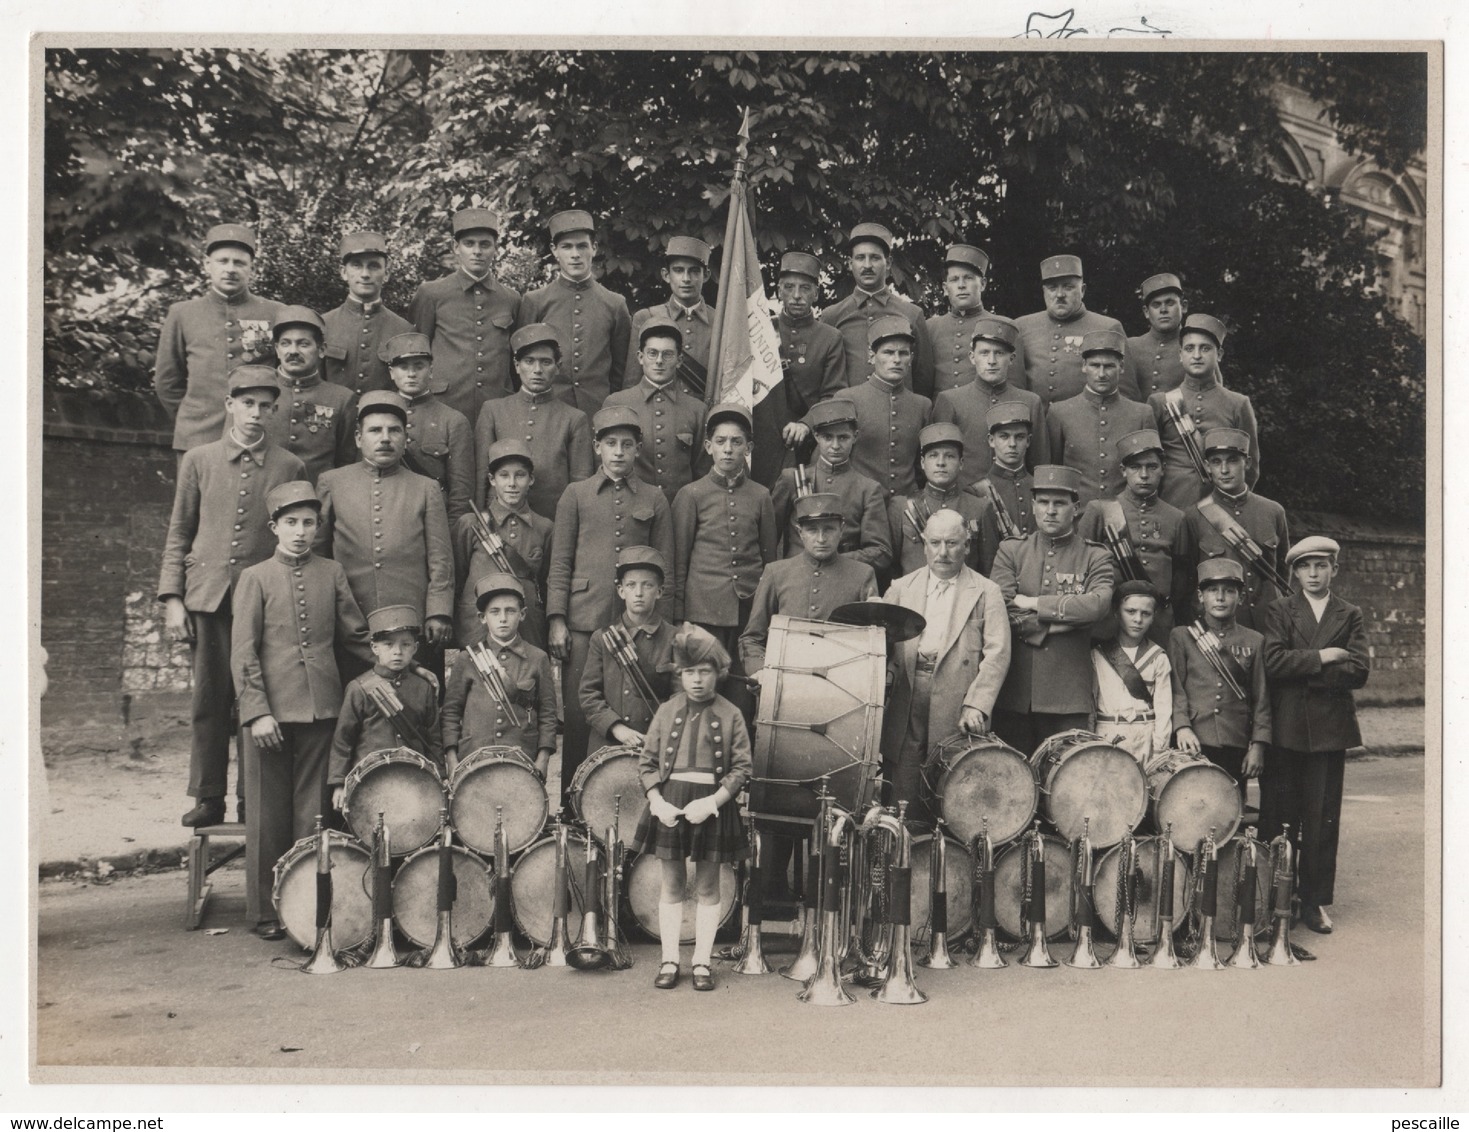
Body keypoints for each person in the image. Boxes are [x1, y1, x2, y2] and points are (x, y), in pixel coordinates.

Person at [158, 366, 307, 827]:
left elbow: (295, 535)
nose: (256, 413)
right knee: (210, 699)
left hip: (265, 603)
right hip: (208, 598)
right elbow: (180, 531)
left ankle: (251, 797)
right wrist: (172, 598)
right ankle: (207, 796)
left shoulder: (289, 466)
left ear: (274, 411)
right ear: (229, 405)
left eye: (265, 406)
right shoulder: (199, 460)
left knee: (258, 701)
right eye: (247, 403)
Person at [230, 480, 372, 940]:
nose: (300, 531)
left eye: (308, 522)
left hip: (322, 708)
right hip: (269, 715)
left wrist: (396, 665)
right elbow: (243, 653)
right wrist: (256, 712)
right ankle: (267, 912)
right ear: (274, 527)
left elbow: (355, 635)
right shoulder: (255, 578)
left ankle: (308, 906)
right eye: (291, 522)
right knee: (268, 815)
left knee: (313, 814)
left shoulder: (331, 572)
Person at [546, 405, 676, 800]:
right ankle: (572, 805)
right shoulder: (576, 494)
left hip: (640, 624)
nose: (618, 452)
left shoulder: (654, 498)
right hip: (586, 620)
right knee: (582, 716)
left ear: (638, 449)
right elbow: (561, 561)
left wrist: (664, 628)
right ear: (597, 448)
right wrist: (557, 618)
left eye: (627, 445)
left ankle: (634, 803)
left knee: (639, 713)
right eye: (610, 444)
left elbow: (666, 567)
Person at [1260, 536, 1371, 935]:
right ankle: (1274, 897)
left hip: (1330, 730)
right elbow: (1272, 662)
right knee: (1280, 815)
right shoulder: (1280, 610)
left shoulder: (1349, 613)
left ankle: (1314, 901)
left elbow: (1358, 670)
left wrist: (1301, 670)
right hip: (1286, 727)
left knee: (1322, 819)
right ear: (1294, 572)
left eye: (1321, 565)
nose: (1312, 573)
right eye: (1305, 566)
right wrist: (1324, 657)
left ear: (1334, 570)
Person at [634, 625, 752, 993]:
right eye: (689, 672)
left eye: (704, 671)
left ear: (718, 672)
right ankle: (670, 959)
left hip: (711, 806)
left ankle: (702, 960)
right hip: (671, 802)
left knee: (707, 884)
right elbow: (647, 762)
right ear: (679, 674)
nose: (697, 680)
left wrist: (714, 802)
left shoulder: (731, 713)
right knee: (671, 883)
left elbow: (742, 767)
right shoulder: (667, 711)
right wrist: (657, 801)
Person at [879, 509, 1011, 814]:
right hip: (908, 694)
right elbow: (882, 645)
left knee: (951, 789)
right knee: (904, 786)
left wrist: (978, 703)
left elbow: (998, 653)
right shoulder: (900, 588)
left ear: (966, 546)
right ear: (924, 545)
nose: (943, 552)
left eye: (952, 543)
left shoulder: (986, 592)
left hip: (958, 699)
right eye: (935, 543)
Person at [314, 391, 455, 666]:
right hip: (351, 617)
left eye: (394, 431)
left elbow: (441, 558)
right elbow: (318, 554)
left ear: (405, 438)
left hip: (411, 620)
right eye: (375, 430)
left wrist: (438, 612)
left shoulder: (425, 488)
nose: (385, 438)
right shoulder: (332, 482)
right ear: (358, 438)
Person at [988, 465, 1115, 753]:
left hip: (1067, 695)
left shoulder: (1095, 556)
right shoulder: (1011, 551)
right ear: (1033, 506)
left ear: (1076, 508)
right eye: (1043, 502)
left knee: (1064, 785)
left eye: (1060, 503)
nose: (1051, 510)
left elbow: (1097, 606)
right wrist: (1062, 624)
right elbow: (1001, 609)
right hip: (1014, 693)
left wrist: (1034, 603)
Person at [153, 223, 284, 453]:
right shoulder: (182, 313)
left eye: (239, 262)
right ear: (207, 265)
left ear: (251, 268)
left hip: (258, 438)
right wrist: (193, 417)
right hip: (197, 438)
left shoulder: (275, 313)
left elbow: (286, 377)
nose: (230, 269)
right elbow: (167, 382)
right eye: (223, 261)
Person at [671, 402, 777, 670]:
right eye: (720, 441)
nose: (728, 449)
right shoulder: (691, 494)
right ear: (708, 447)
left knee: (744, 689)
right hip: (703, 610)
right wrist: (680, 614)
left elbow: (769, 560)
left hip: (748, 610)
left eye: (736, 441)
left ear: (748, 448)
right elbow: (679, 561)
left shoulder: (761, 495)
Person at [739, 492, 881, 674]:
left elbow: (872, 643)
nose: (821, 539)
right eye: (812, 530)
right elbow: (752, 638)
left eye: (829, 529)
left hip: (841, 685)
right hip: (783, 680)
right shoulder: (776, 573)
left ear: (842, 530)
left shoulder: (862, 574)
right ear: (800, 532)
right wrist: (760, 671)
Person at [1168, 557, 1270, 810]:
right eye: (1213, 590)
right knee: (1187, 812)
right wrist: (1181, 727)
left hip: (1234, 741)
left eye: (1229, 591)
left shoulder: (1255, 641)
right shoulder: (1182, 636)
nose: (1221, 597)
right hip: (1192, 739)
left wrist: (1257, 745)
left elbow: (1262, 697)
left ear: (1241, 598)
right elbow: (1175, 688)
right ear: (1201, 597)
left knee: (1228, 813)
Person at [1077, 429, 1194, 644]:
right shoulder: (1100, 510)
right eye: (1135, 467)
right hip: (1108, 622)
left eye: (1152, 467)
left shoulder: (1176, 518)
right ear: (1123, 471)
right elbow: (1079, 565)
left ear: (1163, 469)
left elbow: (1180, 580)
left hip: (1156, 623)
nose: (1144, 475)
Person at [407, 207, 521, 421]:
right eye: (469, 244)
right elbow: (416, 352)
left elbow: (517, 361)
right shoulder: (431, 293)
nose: (477, 251)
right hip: (443, 405)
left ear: (495, 248)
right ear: (455, 247)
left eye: (485, 244)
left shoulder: (511, 299)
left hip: (498, 407)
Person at [472, 322, 594, 519]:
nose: (537, 369)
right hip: (498, 521)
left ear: (558, 367)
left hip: (553, 521)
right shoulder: (493, 410)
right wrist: (482, 515)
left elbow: (581, 483)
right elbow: (481, 473)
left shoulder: (574, 418)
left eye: (546, 362)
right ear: (516, 365)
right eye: (529, 361)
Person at [441, 573, 558, 776]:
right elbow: (451, 713)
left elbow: (548, 715)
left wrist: (543, 759)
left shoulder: (538, 658)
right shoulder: (467, 659)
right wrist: (451, 759)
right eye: (495, 612)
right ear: (482, 617)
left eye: (510, 611)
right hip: (474, 756)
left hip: (521, 757)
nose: (503, 618)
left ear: (522, 614)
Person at [518, 209, 633, 414]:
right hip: (548, 412)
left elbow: (621, 370)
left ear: (594, 248)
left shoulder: (614, 304)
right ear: (554, 250)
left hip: (597, 411)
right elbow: (520, 365)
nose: (575, 254)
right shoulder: (535, 301)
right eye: (566, 247)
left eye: (582, 246)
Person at [329, 605, 443, 809]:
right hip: (370, 779)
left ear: (415, 648)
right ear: (374, 648)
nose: (397, 652)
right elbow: (343, 741)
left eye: (405, 645)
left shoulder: (423, 688)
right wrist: (339, 784)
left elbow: (434, 738)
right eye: (388, 645)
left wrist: (441, 776)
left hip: (414, 779)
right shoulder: (359, 688)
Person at [1149, 313, 1261, 511]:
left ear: (1219, 355)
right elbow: (1149, 462)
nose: (1197, 355)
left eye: (1206, 348)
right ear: (1180, 354)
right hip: (1170, 505)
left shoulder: (1238, 404)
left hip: (1218, 510)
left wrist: (1231, 507)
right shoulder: (1160, 402)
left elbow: (1250, 468)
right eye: (1190, 348)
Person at [1182, 427, 1289, 630]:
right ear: (1206, 466)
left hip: (1269, 625)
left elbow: (1282, 573)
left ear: (1247, 462)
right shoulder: (1193, 516)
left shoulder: (1273, 511)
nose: (1223, 470)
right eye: (1216, 462)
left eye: (1232, 460)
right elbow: (1187, 579)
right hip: (1218, 627)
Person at [770, 398, 891, 572]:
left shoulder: (868, 489)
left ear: (855, 437)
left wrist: (835, 560)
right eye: (828, 437)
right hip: (795, 575)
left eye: (843, 437)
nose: (835, 446)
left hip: (843, 578)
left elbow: (881, 552)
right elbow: (769, 537)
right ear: (816, 436)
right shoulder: (793, 478)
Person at [453, 440, 553, 650]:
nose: (512, 483)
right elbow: (457, 578)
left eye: (520, 475)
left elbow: (546, 582)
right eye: (504, 475)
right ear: (492, 479)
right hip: (477, 628)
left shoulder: (544, 528)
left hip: (526, 629)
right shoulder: (472, 524)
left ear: (531, 479)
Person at [578, 546, 678, 754]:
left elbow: (680, 696)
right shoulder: (603, 638)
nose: (639, 593)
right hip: (609, 743)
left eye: (647, 585)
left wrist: (660, 733)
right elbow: (589, 694)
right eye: (631, 585)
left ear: (659, 591)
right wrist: (617, 728)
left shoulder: (674, 638)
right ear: (621, 591)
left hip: (656, 744)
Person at [931, 314, 1049, 486]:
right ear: (972, 357)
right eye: (984, 353)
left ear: (1012, 359)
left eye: (999, 353)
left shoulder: (1030, 402)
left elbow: (1039, 464)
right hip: (966, 499)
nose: (992, 361)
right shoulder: (950, 401)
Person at [819, 222, 935, 397]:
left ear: (887, 263)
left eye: (874, 258)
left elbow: (923, 379)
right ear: (850, 264)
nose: (867, 265)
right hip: (849, 414)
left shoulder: (912, 314)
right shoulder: (832, 316)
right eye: (860, 258)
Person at [603, 319, 707, 504]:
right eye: (652, 353)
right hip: (629, 509)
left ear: (679, 360)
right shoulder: (617, 403)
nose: (659, 361)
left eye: (667, 355)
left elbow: (702, 472)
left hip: (680, 511)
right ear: (640, 357)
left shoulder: (696, 409)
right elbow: (604, 468)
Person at [1046, 329, 1155, 505]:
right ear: (1083, 366)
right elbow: (1054, 472)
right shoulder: (1059, 413)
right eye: (1095, 365)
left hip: (1125, 518)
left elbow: (1150, 474)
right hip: (1077, 519)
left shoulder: (1142, 414)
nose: (1102, 374)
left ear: (1121, 367)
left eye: (1109, 366)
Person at [380, 331, 474, 530]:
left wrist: (449, 532)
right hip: (384, 519)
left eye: (419, 367)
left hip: (433, 521)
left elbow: (460, 492)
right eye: (403, 367)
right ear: (391, 373)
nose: (411, 374)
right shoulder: (377, 416)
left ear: (431, 370)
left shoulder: (453, 421)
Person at [1013, 254, 1136, 406]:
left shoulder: (1108, 327)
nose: (1059, 295)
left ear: (1082, 290)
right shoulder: (1022, 326)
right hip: (1035, 425)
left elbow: (1127, 395)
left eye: (1068, 287)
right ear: (1044, 291)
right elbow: (1013, 386)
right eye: (1052, 288)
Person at [265, 305, 358, 486]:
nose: (293, 351)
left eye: (303, 344)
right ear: (277, 350)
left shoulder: (342, 399)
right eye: (285, 343)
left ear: (321, 350)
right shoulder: (259, 391)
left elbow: (346, 463)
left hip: (316, 500)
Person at [845, 315, 933, 500]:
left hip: (907, 506)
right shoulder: (849, 399)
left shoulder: (922, 405)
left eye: (903, 353)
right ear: (871, 356)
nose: (896, 359)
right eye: (888, 352)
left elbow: (923, 464)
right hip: (861, 504)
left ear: (911, 358)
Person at [321, 230, 415, 396]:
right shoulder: (323, 325)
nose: (365, 274)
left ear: (386, 274)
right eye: (356, 265)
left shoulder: (404, 330)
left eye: (374, 266)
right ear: (343, 272)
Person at [887, 423, 987, 578]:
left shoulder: (980, 507)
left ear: (961, 463)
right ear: (922, 463)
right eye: (933, 455)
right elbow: (891, 568)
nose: (941, 462)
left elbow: (987, 568)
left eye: (950, 456)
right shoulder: (901, 507)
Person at [1090, 580, 1173, 763]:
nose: (1138, 619)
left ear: (1153, 617)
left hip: (1145, 736)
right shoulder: (1098, 655)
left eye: (1146, 614)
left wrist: (1160, 749)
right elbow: (1091, 705)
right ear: (1117, 613)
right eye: (1130, 611)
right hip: (1107, 733)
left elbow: (1164, 708)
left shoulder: (1158, 657)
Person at [627, 235, 719, 398]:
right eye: (678, 270)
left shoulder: (720, 321)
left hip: (707, 416)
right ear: (666, 275)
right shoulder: (646, 318)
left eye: (694, 271)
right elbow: (632, 383)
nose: (686, 279)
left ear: (706, 275)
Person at [774, 250, 847, 422]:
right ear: (779, 291)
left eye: (805, 288)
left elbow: (833, 394)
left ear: (816, 293)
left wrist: (807, 425)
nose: (797, 295)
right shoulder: (762, 330)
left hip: (811, 434)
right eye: (789, 287)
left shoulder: (830, 337)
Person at [970, 402, 1038, 572]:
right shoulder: (976, 492)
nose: (1012, 443)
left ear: (1028, 441)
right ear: (991, 441)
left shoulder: (1041, 487)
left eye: (1020, 437)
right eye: (1004, 436)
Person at [926, 244, 993, 393]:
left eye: (968, 278)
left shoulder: (1000, 325)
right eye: (954, 279)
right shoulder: (930, 327)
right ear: (945, 288)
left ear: (982, 284)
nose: (961, 285)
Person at [1123, 272, 1188, 401]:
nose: (1163, 310)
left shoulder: (1194, 346)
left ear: (1184, 306)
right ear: (1146, 312)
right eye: (1156, 305)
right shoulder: (1130, 347)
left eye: (1170, 303)